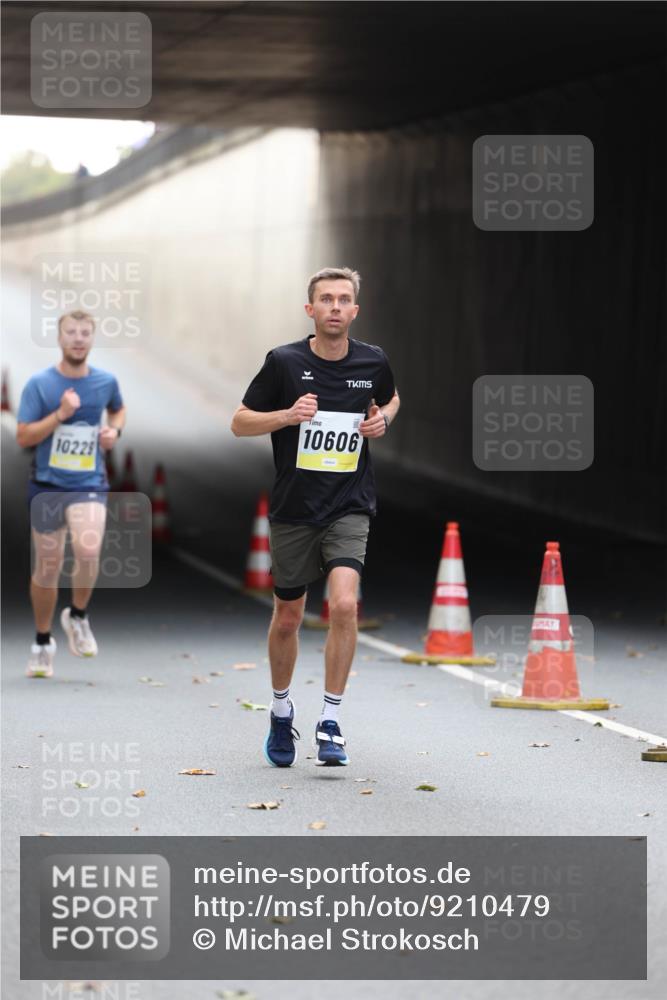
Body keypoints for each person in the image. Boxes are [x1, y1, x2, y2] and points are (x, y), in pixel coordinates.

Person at [231, 267, 400, 767]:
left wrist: (382, 419)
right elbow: (239, 422)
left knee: (344, 605)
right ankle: (282, 711)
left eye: (343, 300)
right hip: (294, 509)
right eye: (325, 299)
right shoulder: (283, 362)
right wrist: (286, 416)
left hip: (350, 504)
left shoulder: (373, 361)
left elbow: (391, 397)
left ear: (354, 311)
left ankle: (330, 722)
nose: (334, 307)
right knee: (288, 616)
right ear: (311, 310)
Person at [16, 310, 126, 678]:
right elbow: (23, 437)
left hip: (88, 483)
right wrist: (60, 415)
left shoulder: (105, 381)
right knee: (47, 566)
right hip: (48, 486)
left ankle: (77, 616)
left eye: (84, 333)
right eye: (71, 332)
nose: (78, 338)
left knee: (89, 548)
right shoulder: (40, 384)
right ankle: (43, 641)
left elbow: (118, 409)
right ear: (60, 338)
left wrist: (114, 432)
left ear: (92, 339)